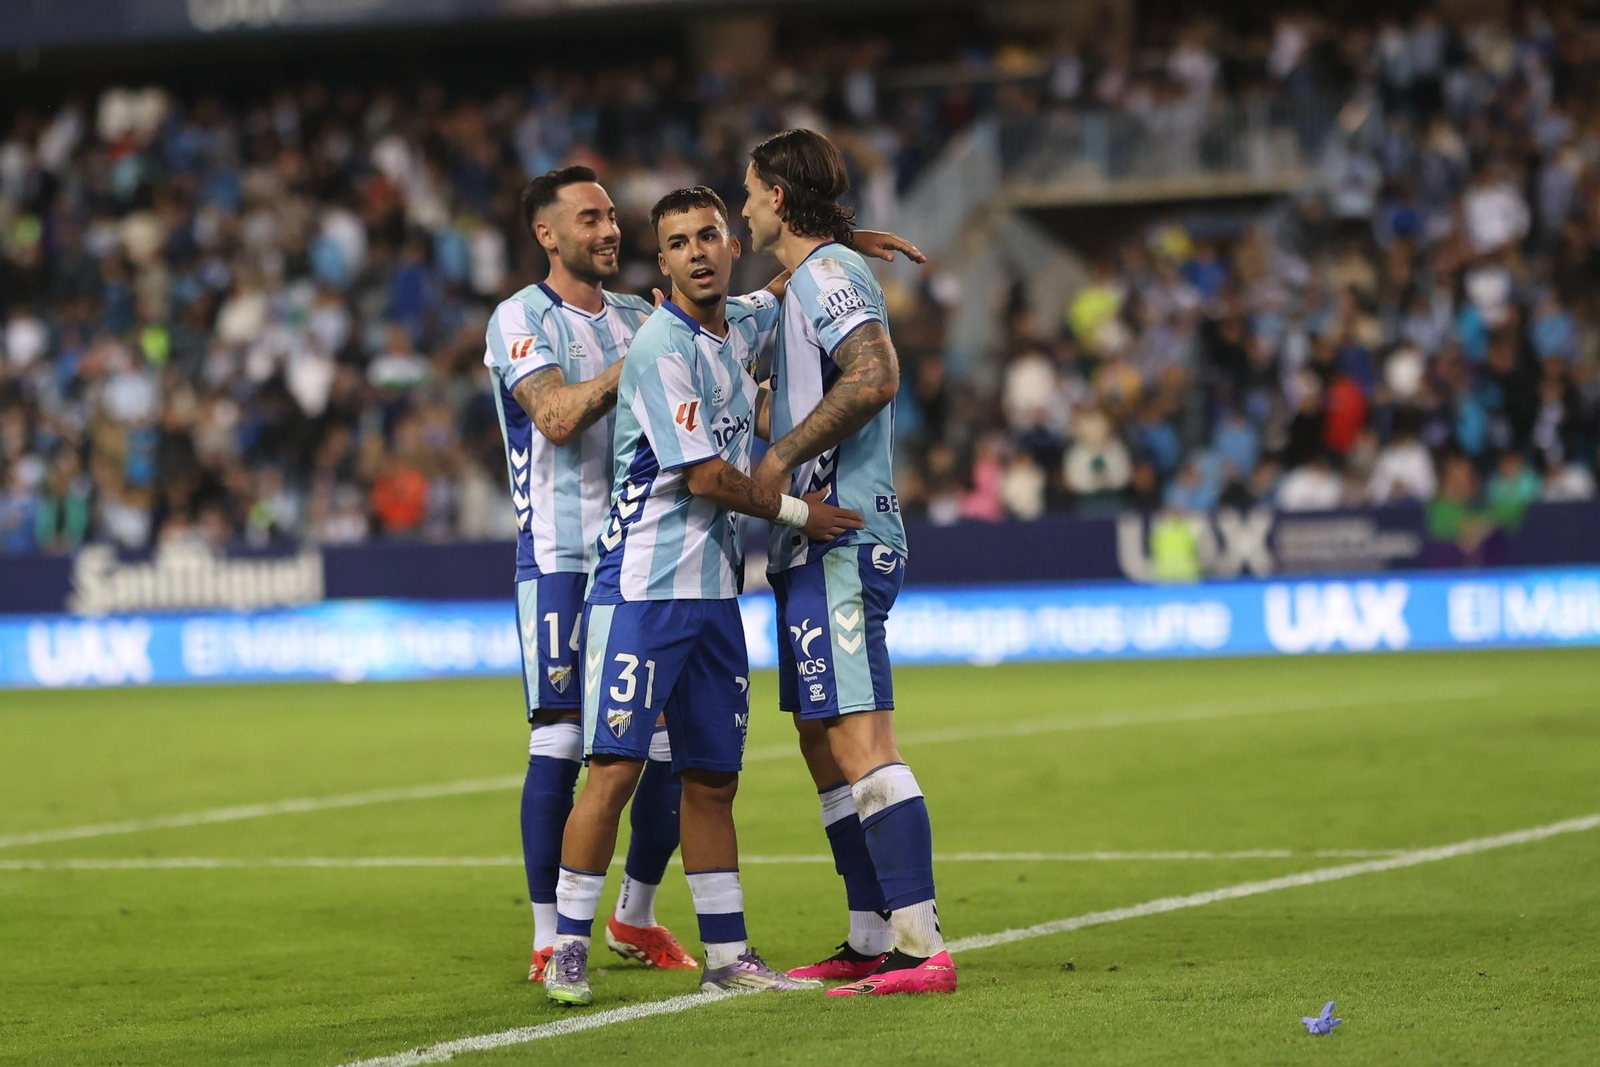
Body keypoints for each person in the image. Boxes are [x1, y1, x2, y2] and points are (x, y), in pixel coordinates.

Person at [486, 167, 921, 984]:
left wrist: (842, 248)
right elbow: (697, 473)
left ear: (730, 243)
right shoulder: (629, 336)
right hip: (628, 581)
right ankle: (562, 941)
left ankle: (718, 948)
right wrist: (800, 512)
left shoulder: (723, 320)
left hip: (714, 593)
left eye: (708, 237)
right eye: (676, 243)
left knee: (710, 779)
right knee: (597, 760)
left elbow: (784, 286)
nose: (695, 253)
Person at [743, 129, 957, 996]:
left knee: (862, 739)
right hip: (807, 542)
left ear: (781, 200)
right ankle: (872, 934)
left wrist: (779, 454)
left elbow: (873, 374)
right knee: (822, 740)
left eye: (752, 191)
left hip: (841, 538)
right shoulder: (813, 275)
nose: (744, 204)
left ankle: (922, 946)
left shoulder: (826, 276)